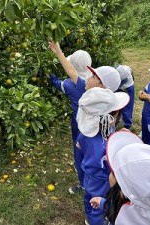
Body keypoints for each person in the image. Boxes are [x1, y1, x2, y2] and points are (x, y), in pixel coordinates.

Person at [90, 131, 150, 225]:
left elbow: (115, 210)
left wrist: (103, 203)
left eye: (113, 172)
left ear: (122, 192)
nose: (110, 174)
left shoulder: (121, 216)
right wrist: (102, 203)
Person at [75, 88, 130, 225]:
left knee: (89, 198)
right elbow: (112, 169)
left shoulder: (86, 134)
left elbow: (80, 155)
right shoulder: (105, 147)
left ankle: (89, 218)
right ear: (111, 117)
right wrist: (122, 144)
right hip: (103, 183)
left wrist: (116, 135)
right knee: (98, 207)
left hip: (89, 178)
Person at [49, 50, 92, 194]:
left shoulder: (69, 84)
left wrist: (49, 75)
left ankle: (83, 179)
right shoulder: (95, 80)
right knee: (90, 149)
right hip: (93, 121)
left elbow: (57, 83)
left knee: (78, 145)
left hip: (78, 120)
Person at [115, 65, 135, 130]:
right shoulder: (120, 69)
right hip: (119, 89)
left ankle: (127, 126)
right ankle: (115, 121)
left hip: (127, 89)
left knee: (127, 108)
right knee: (117, 105)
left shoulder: (125, 77)